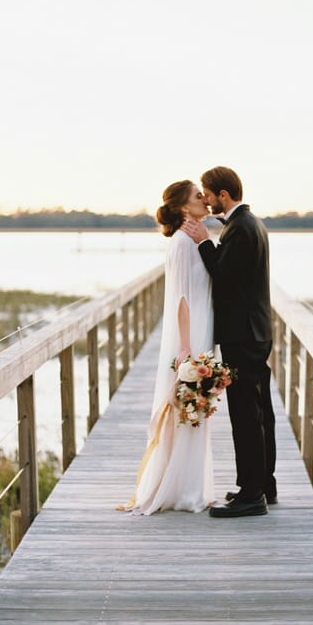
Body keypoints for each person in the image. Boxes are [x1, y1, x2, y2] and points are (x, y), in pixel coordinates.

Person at [182, 166, 277, 518]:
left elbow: (223, 276)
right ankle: (263, 484)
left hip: (244, 333)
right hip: (254, 331)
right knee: (260, 410)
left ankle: (253, 495)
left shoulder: (240, 229)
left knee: (246, 414)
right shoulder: (250, 224)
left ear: (223, 195)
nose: (205, 199)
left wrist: (203, 242)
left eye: (207, 193)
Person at [117, 180, 214, 514]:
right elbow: (182, 300)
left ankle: (189, 485)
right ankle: (183, 490)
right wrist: (186, 349)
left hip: (199, 329)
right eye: (198, 196)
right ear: (185, 208)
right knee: (189, 408)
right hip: (192, 335)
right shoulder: (184, 243)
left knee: (194, 409)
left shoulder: (192, 238)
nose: (205, 199)